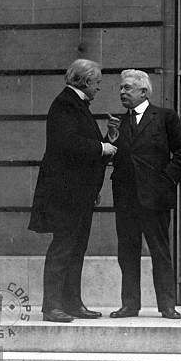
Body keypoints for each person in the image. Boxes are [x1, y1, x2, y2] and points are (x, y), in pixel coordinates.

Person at [29, 59, 117, 323]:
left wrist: (107, 139)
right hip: (66, 194)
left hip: (77, 193)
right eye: (98, 83)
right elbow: (68, 143)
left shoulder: (74, 104)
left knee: (75, 247)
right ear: (87, 81)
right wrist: (102, 148)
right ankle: (52, 306)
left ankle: (71, 303)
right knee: (64, 247)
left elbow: (79, 146)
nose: (99, 88)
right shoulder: (66, 103)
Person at [106, 69, 181, 319]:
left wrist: (166, 180)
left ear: (144, 91)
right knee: (127, 252)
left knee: (160, 252)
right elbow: (111, 155)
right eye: (121, 88)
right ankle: (130, 305)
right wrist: (111, 137)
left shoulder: (165, 117)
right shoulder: (118, 123)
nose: (122, 92)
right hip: (126, 199)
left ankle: (167, 305)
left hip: (155, 198)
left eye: (128, 88)